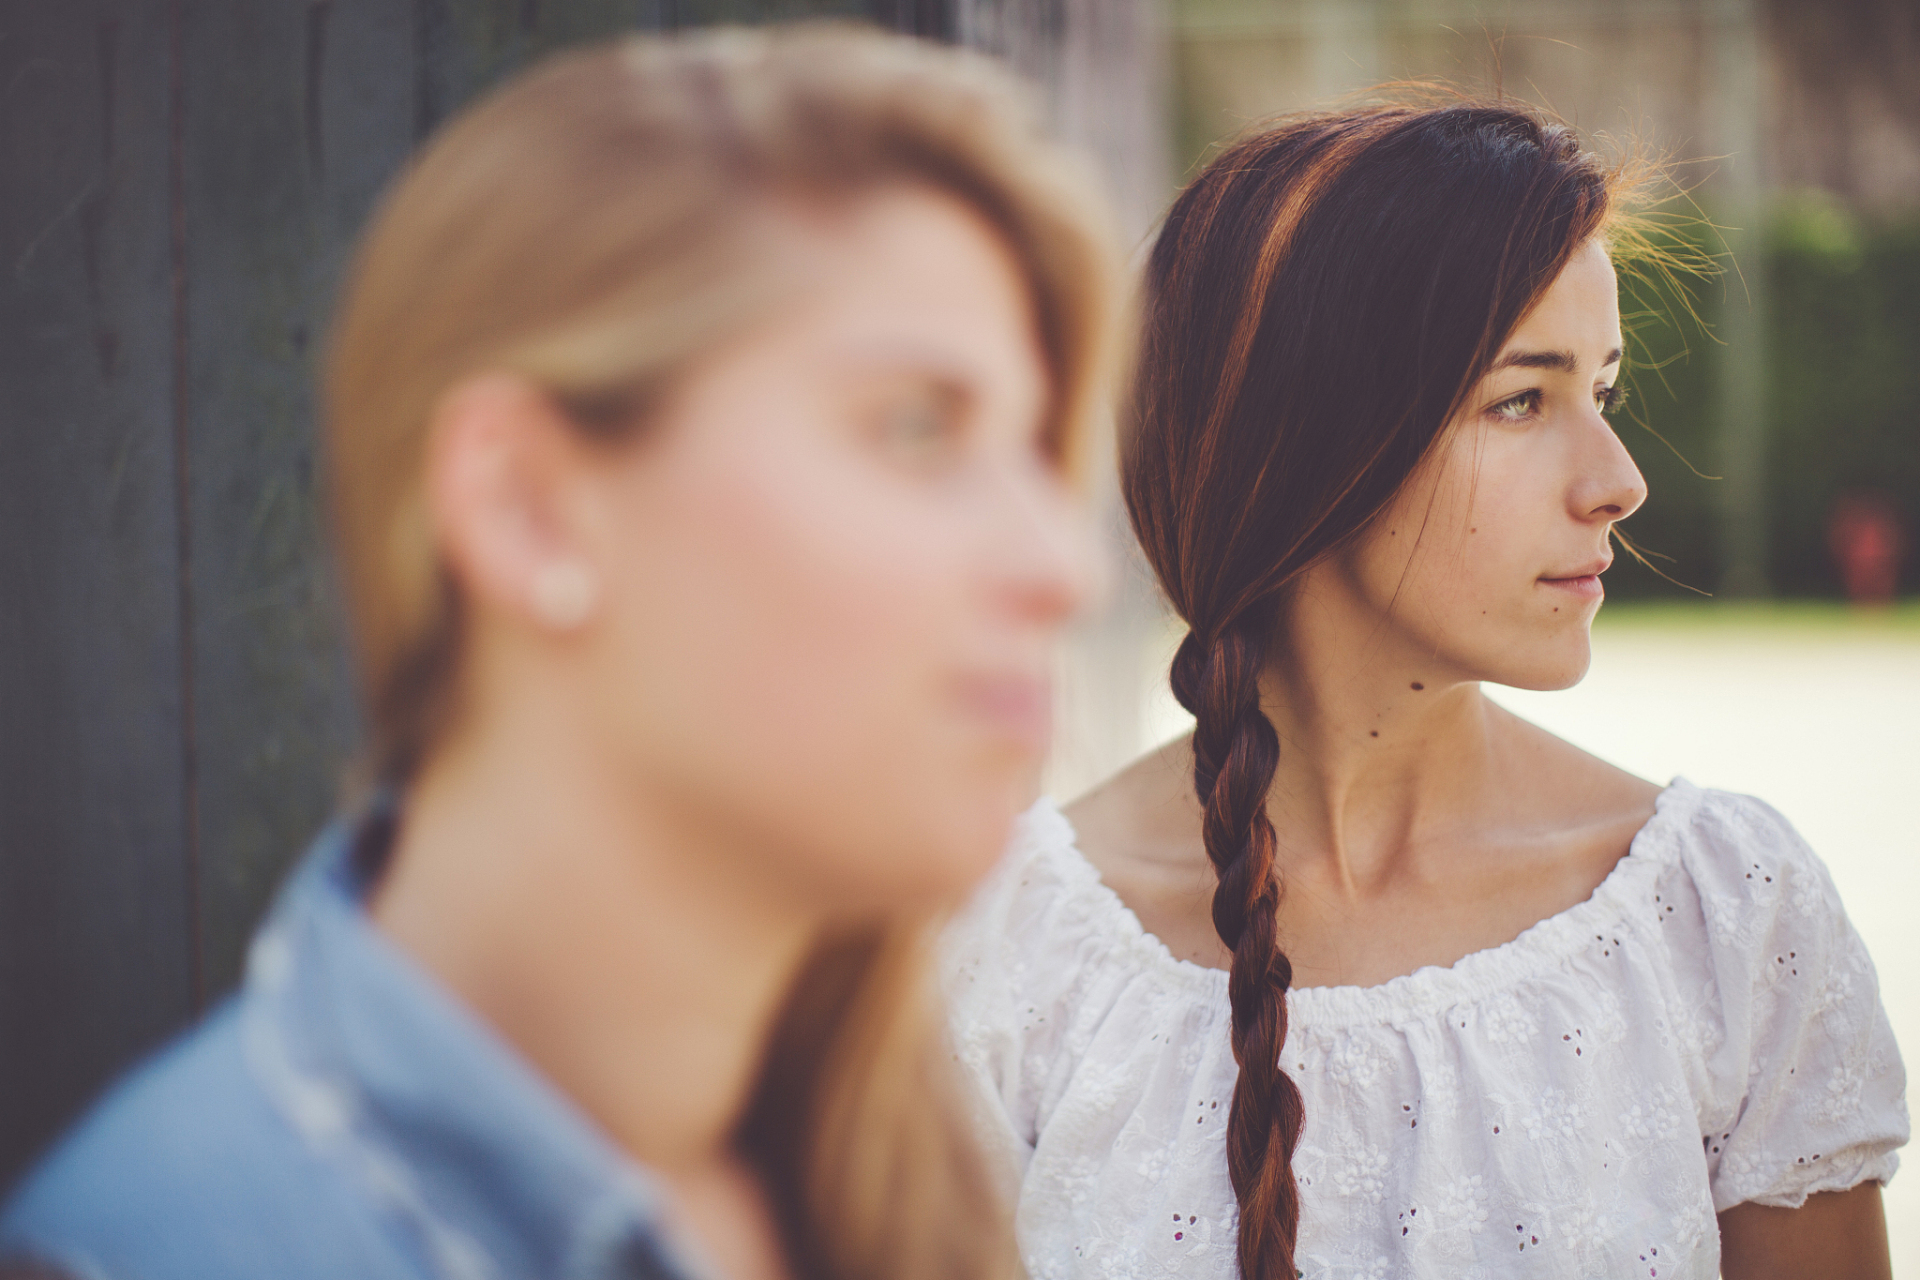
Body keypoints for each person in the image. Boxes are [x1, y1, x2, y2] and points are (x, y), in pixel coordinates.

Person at [3, 23, 1119, 1280]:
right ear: (526, 504)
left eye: (1036, 451)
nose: (1062, 566)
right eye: (916, 426)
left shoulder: (916, 1179)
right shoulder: (159, 1251)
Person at [945, 99, 1906, 1280]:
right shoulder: (1006, 959)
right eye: (1521, 398)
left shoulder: (1720, 917)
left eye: (1601, 390)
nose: (1620, 480)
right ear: (1302, 446)